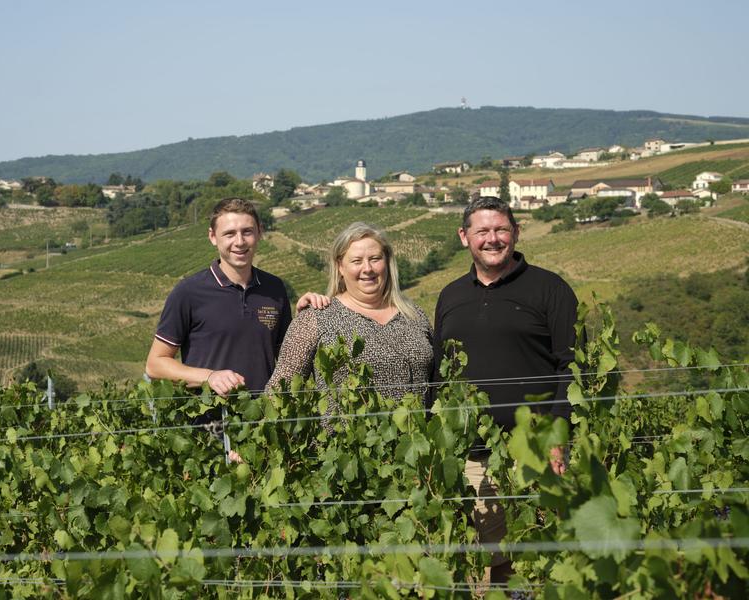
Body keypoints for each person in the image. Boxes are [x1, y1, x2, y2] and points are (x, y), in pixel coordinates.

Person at [432, 196, 579, 582]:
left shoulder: (550, 289)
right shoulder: (450, 296)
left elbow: (570, 367)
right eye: (482, 231)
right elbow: (440, 373)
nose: (492, 239)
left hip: (536, 453)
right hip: (473, 457)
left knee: (541, 559)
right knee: (488, 565)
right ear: (464, 237)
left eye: (501, 229)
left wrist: (557, 438)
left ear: (515, 232)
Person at [146, 196, 313, 394]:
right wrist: (210, 377)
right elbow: (155, 365)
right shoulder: (189, 292)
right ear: (213, 237)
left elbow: (287, 359)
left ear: (259, 232)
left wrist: (305, 320)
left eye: (247, 232)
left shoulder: (274, 288)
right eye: (229, 234)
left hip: (265, 418)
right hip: (208, 422)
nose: (240, 242)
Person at [266, 222, 432, 401]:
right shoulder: (315, 318)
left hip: (417, 428)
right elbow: (278, 392)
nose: (367, 269)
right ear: (340, 267)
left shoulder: (414, 315)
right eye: (356, 261)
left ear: (387, 262)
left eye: (375, 259)